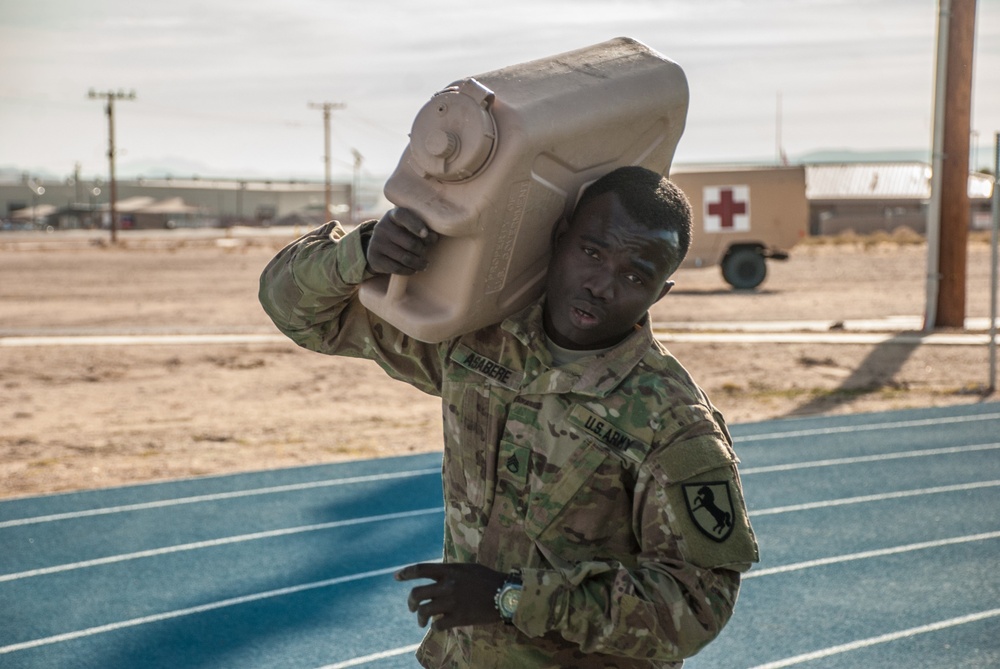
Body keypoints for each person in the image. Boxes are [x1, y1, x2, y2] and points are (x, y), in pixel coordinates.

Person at [259, 166, 759, 668]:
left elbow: (698, 605)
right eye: (591, 252)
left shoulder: (671, 419)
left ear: (660, 292)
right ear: (560, 240)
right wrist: (361, 253)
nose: (602, 284)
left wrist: (511, 596)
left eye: (634, 275)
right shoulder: (476, 341)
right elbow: (298, 313)